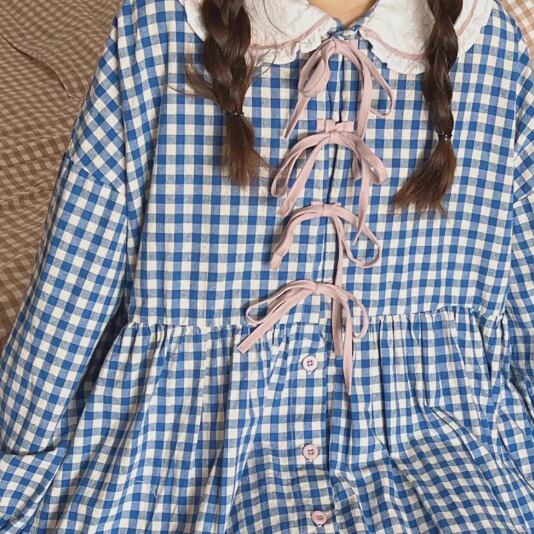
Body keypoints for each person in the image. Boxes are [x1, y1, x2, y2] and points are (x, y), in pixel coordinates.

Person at [1, 0, 533, 531]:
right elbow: (76, 272)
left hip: (434, 441)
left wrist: (21, 445)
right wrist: (21, 450)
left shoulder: (493, 48)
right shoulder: (159, 32)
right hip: (186, 447)